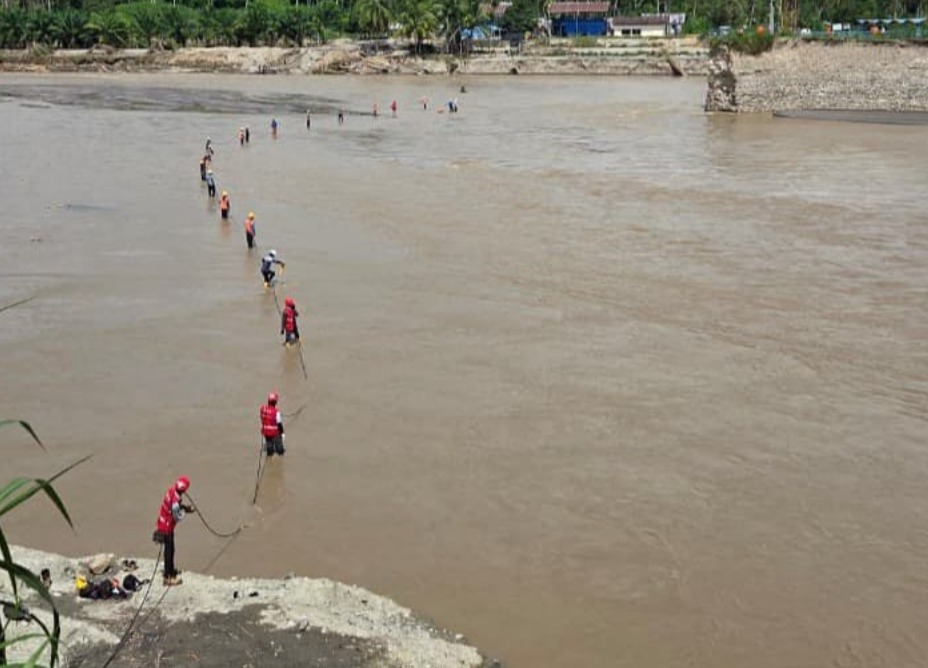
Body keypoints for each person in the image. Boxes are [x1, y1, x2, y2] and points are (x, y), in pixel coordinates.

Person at [153, 476, 194, 587]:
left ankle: (171, 570)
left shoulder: (171, 491)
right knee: (169, 551)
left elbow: (174, 506)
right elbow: (178, 517)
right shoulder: (175, 502)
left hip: (162, 523)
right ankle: (168, 577)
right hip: (167, 527)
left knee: (171, 550)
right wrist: (185, 511)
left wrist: (184, 507)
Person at [259, 392, 285, 456]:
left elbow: (262, 418)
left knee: (269, 447)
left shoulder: (262, 408)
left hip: (266, 432)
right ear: (275, 402)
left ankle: (269, 455)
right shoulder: (276, 412)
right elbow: (279, 424)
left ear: (268, 400)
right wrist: (282, 433)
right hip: (275, 433)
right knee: (280, 450)